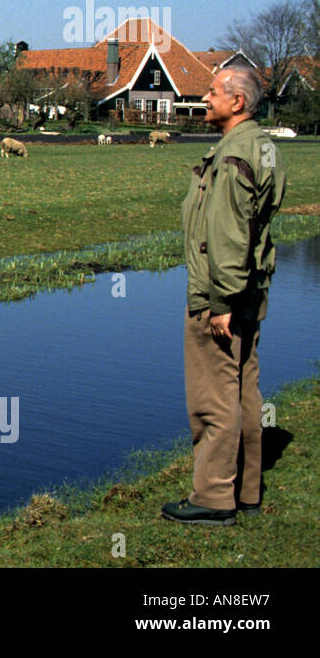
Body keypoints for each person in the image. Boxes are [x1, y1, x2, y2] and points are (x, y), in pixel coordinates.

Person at [163, 65, 286, 526]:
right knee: (243, 391)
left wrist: (220, 304)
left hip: (222, 297)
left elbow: (229, 236)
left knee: (213, 397)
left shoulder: (234, 157)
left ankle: (213, 497)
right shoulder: (265, 147)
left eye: (214, 91)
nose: (205, 97)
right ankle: (247, 489)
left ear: (238, 102)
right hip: (251, 291)